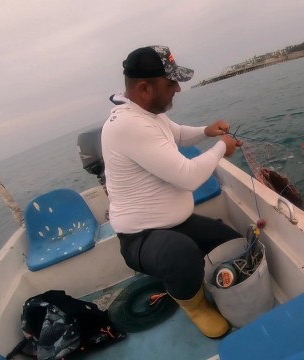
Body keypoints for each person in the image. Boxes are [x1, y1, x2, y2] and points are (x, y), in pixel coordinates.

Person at [101, 45, 242, 339]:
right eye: (170, 83)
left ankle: (197, 281)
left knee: (231, 243)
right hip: (140, 237)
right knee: (181, 254)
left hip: (175, 222)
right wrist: (221, 148)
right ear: (143, 88)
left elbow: (176, 134)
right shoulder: (129, 125)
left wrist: (207, 131)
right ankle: (194, 305)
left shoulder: (148, 113)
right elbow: (188, 177)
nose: (178, 88)